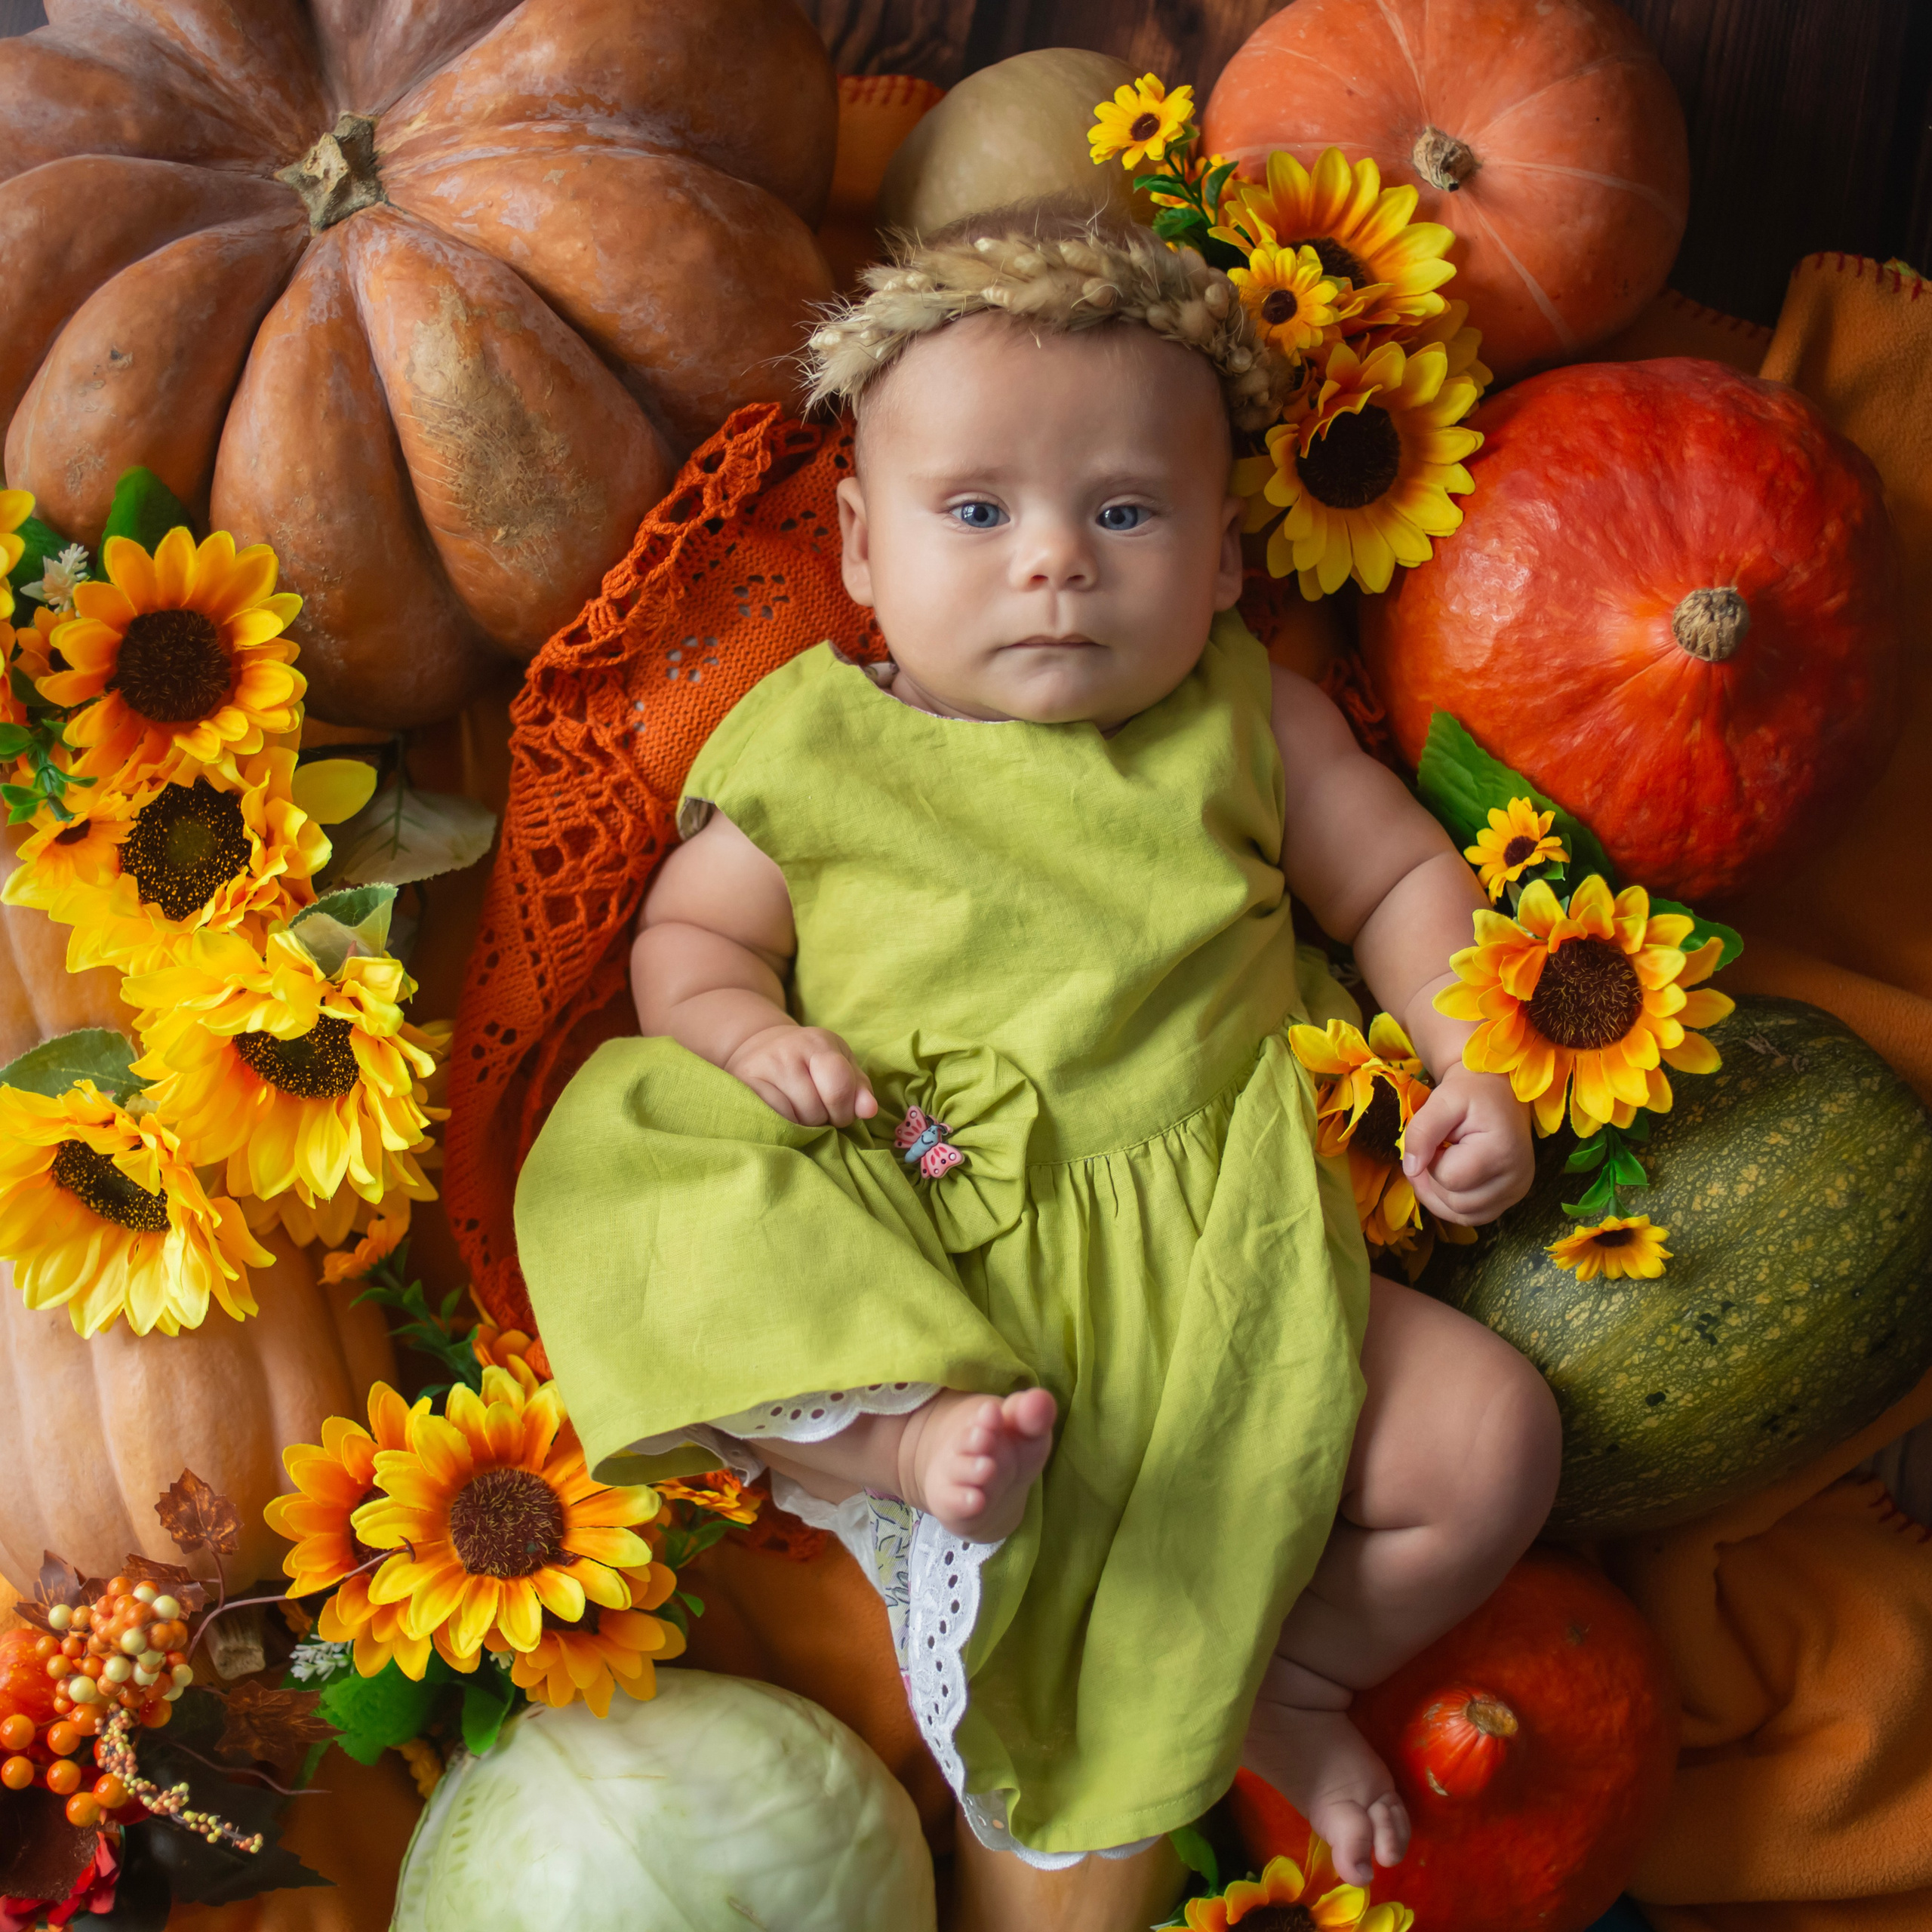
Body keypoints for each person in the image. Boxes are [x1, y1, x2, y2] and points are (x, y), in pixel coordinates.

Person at [515, 202, 1561, 1925]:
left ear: (1225, 555)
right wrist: (750, 1034)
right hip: (909, 1242)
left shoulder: (1245, 720)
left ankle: (1282, 1678)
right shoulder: (817, 740)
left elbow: (1393, 880)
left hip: (1214, 1264)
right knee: (632, 1166)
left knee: (1489, 1442)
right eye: (978, 511)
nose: (1053, 559)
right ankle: (899, 1447)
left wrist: (1470, 1064)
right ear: (859, 548)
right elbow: (686, 948)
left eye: (1125, 511)